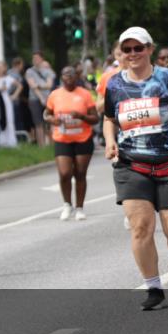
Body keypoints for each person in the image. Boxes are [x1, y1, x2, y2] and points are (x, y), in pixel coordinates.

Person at [103, 27, 168, 312]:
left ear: (149, 49)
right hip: (131, 165)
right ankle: (154, 288)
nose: (132, 54)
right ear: (121, 53)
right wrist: (110, 141)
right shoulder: (114, 85)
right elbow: (109, 119)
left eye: (138, 48)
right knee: (141, 227)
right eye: (127, 49)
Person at [44, 66, 98, 221]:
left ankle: (80, 208)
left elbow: (95, 118)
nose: (68, 77)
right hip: (62, 138)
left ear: (76, 77)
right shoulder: (55, 95)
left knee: (80, 173)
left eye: (72, 74)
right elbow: (46, 114)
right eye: (65, 74)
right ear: (61, 77)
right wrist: (52, 119)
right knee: (65, 173)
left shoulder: (85, 94)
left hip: (83, 138)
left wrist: (81, 116)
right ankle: (67, 204)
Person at [26, 52, 56, 147]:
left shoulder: (48, 71)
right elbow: (32, 86)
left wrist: (38, 85)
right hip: (34, 99)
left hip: (48, 99)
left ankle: (52, 144)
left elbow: (49, 85)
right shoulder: (29, 72)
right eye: (34, 58)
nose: (35, 60)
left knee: (50, 121)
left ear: (42, 59)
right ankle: (41, 145)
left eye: (37, 58)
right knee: (38, 123)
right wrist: (41, 96)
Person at [0, 61, 18, 147]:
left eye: (1, 67)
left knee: (9, 119)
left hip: (6, 100)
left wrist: (14, 95)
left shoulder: (8, 78)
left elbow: (20, 86)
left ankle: (10, 141)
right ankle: (1, 141)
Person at [9, 57, 32, 141]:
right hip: (14, 102)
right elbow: (13, 88)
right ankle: (20, 139)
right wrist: (14, 96)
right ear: (18, 65)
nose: (22, 67)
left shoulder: (9, 73)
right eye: (22, 64)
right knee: (17, 121)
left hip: (12, 102)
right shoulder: (16, 75)